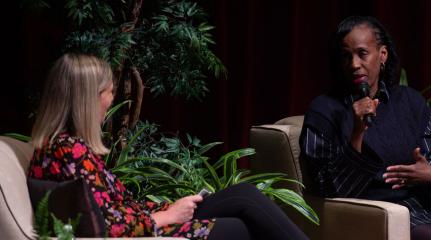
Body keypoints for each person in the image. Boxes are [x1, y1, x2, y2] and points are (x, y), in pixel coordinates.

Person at [28, 53, 308, 240]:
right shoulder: (67, 151)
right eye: (108, 91)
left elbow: (114, 208)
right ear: (86, 99)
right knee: (238, 227)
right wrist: (165, 216)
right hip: (148, 231)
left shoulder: (60, 146)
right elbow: (104, 227)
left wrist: (168, 207)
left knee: (244, 196)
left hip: (148, 219)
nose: (112, 99)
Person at [300, 16, 431, 240]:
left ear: (382, 55)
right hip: (379, 210)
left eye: (362, 53)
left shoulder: (409, 101)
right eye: (346, 56)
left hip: (427, 199)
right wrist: (357, 133)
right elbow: (326, 188)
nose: (354, 64)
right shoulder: (323, 111)